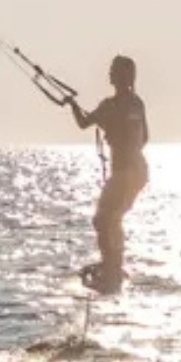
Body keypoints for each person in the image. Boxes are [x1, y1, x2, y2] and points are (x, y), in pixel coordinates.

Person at [68, 55, 149, 293]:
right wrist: (74, 105)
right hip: (136, 172)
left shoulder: (119, 105)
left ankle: (111, 268)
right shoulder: (129, 104)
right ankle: (114, 265)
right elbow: (144, 137)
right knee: (113, 218)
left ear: (123, 76)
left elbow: (84, 123)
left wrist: (73, 105)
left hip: (127, 172)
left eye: (114, 70)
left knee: (103, 219)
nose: (110, 73)